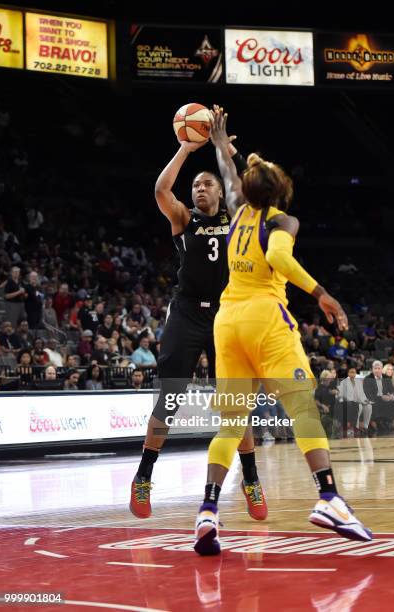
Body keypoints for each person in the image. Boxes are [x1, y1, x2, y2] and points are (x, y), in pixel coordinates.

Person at [194, 109, 371, 555]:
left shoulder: (235, 209)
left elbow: (230, 174)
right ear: (282, 193)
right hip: (266, 319)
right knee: (303, 409)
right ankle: (329, 498)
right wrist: (322, 293)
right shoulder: (281, 221)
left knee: (231, 425)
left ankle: (208, 511)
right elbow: (280, 260)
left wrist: (219, 143)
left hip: (226, 322)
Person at [130, 112, 267, 522]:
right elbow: (160, 188)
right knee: (169, 400)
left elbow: (252, 186)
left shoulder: (238, 216)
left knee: (236, 406)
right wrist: (186, 148)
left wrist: (228, 151)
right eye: (195, 185)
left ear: (221, 192)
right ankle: (143, 477)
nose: (199, 188)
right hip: (187, 313)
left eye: (207, 183)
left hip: (228, 315)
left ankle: (252, 480)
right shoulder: (184, 219)